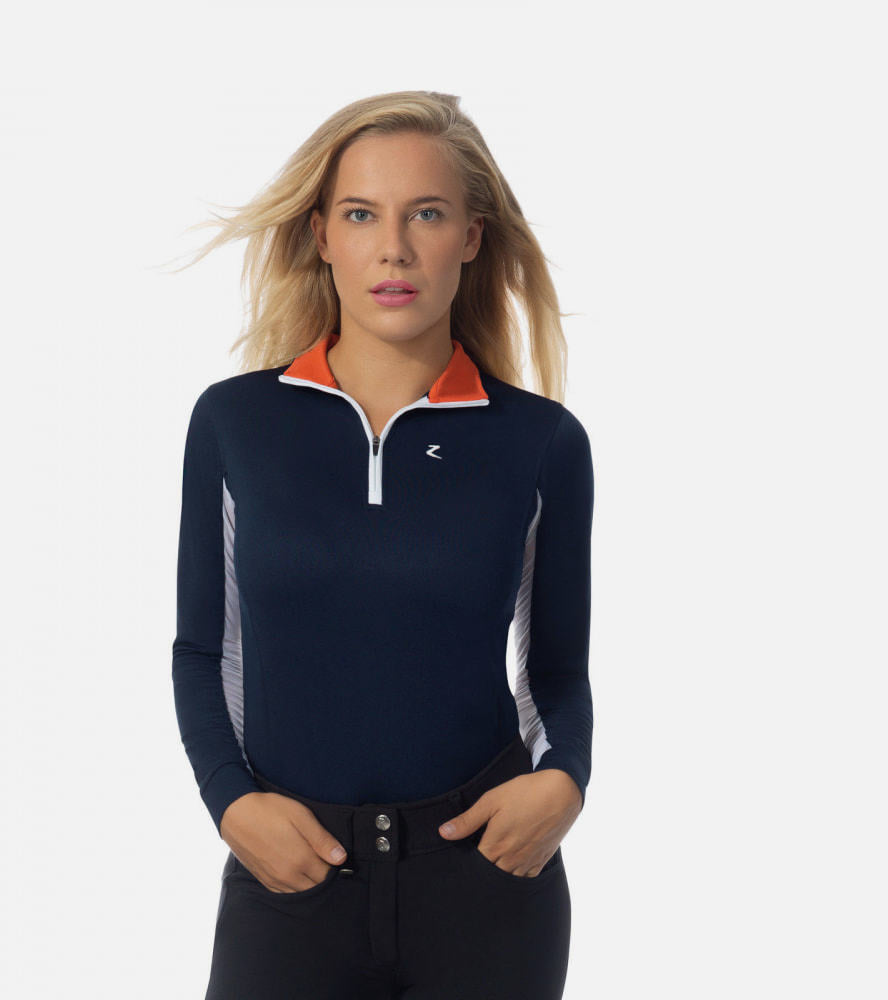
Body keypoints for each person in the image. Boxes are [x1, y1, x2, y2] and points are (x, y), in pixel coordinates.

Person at [170, 90, 595, 1000]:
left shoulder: (540, 442)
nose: (393, 248)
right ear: (321, 235)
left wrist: (564, 778)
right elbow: (205, 650)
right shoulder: (236, 423)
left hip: (489, 883)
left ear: (472, 238)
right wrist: (230, 801)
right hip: (289, 880)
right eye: (362, 215)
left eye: (426, 214)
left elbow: (556, 669)